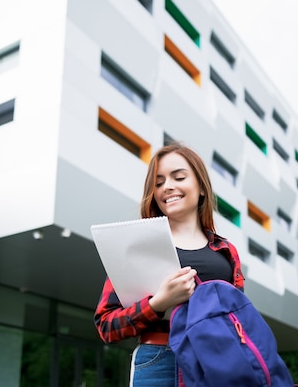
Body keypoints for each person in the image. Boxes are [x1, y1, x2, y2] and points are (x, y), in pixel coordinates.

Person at [94, 143, 245, 386]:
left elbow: (241, 321)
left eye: (179, 177)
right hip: (158, 360)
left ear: (202, 188)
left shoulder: (226, 251)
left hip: (218, 362)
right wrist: (158, 304)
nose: (168, 187)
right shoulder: (136, 245)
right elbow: (107, 325)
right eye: (159, 182)